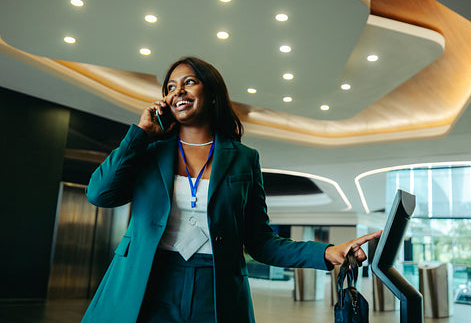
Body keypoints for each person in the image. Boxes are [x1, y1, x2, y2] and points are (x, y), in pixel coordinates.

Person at [81, 56, 382, 323]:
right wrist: (141, 135)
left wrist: (328, 252)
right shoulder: (148, 151)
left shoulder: (243, 158)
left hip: (216, 287)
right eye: (170, 88)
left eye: (189, 82)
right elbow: (100, 194)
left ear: (211, 94)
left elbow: (261, 241)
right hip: (147, 281)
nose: (178, 92)